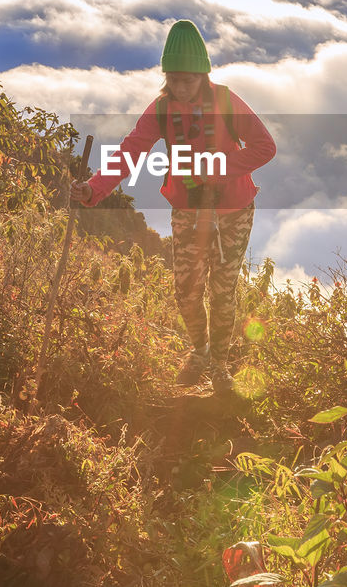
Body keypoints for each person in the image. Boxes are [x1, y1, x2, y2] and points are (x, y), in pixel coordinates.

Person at [70, 20, 276, 393]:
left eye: (189, 80)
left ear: (203, 76)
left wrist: (220, 169)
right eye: (174, 79)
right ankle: (200, 350)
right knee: (186, 289)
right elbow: (131, 151)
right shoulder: (163, 110)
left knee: (222, 289)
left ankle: (219, 367)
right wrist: (93, 188)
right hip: (188, 209)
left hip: (233, 209)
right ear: (166, 77)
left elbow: (265, 147)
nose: (181, 87)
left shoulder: (227, 102)